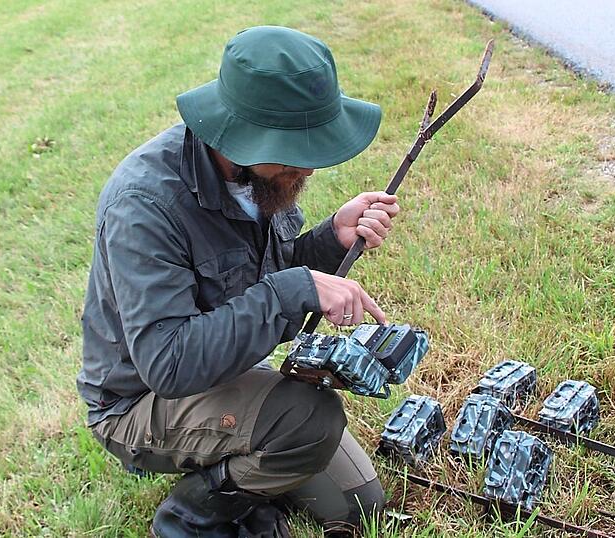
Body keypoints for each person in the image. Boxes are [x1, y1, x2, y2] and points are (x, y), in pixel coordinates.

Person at [77, 26, 399, 537]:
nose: (309, 167)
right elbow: (168, 362)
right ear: (241, 138)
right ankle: (194, 515)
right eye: (295, 151)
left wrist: (332, 238)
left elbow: (264, 269)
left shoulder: (259, 178)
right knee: (308, 421)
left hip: (227, 371)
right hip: (138, 402)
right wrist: (293, 291)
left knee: (357, 504)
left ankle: (241, 462)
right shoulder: (145, 206)